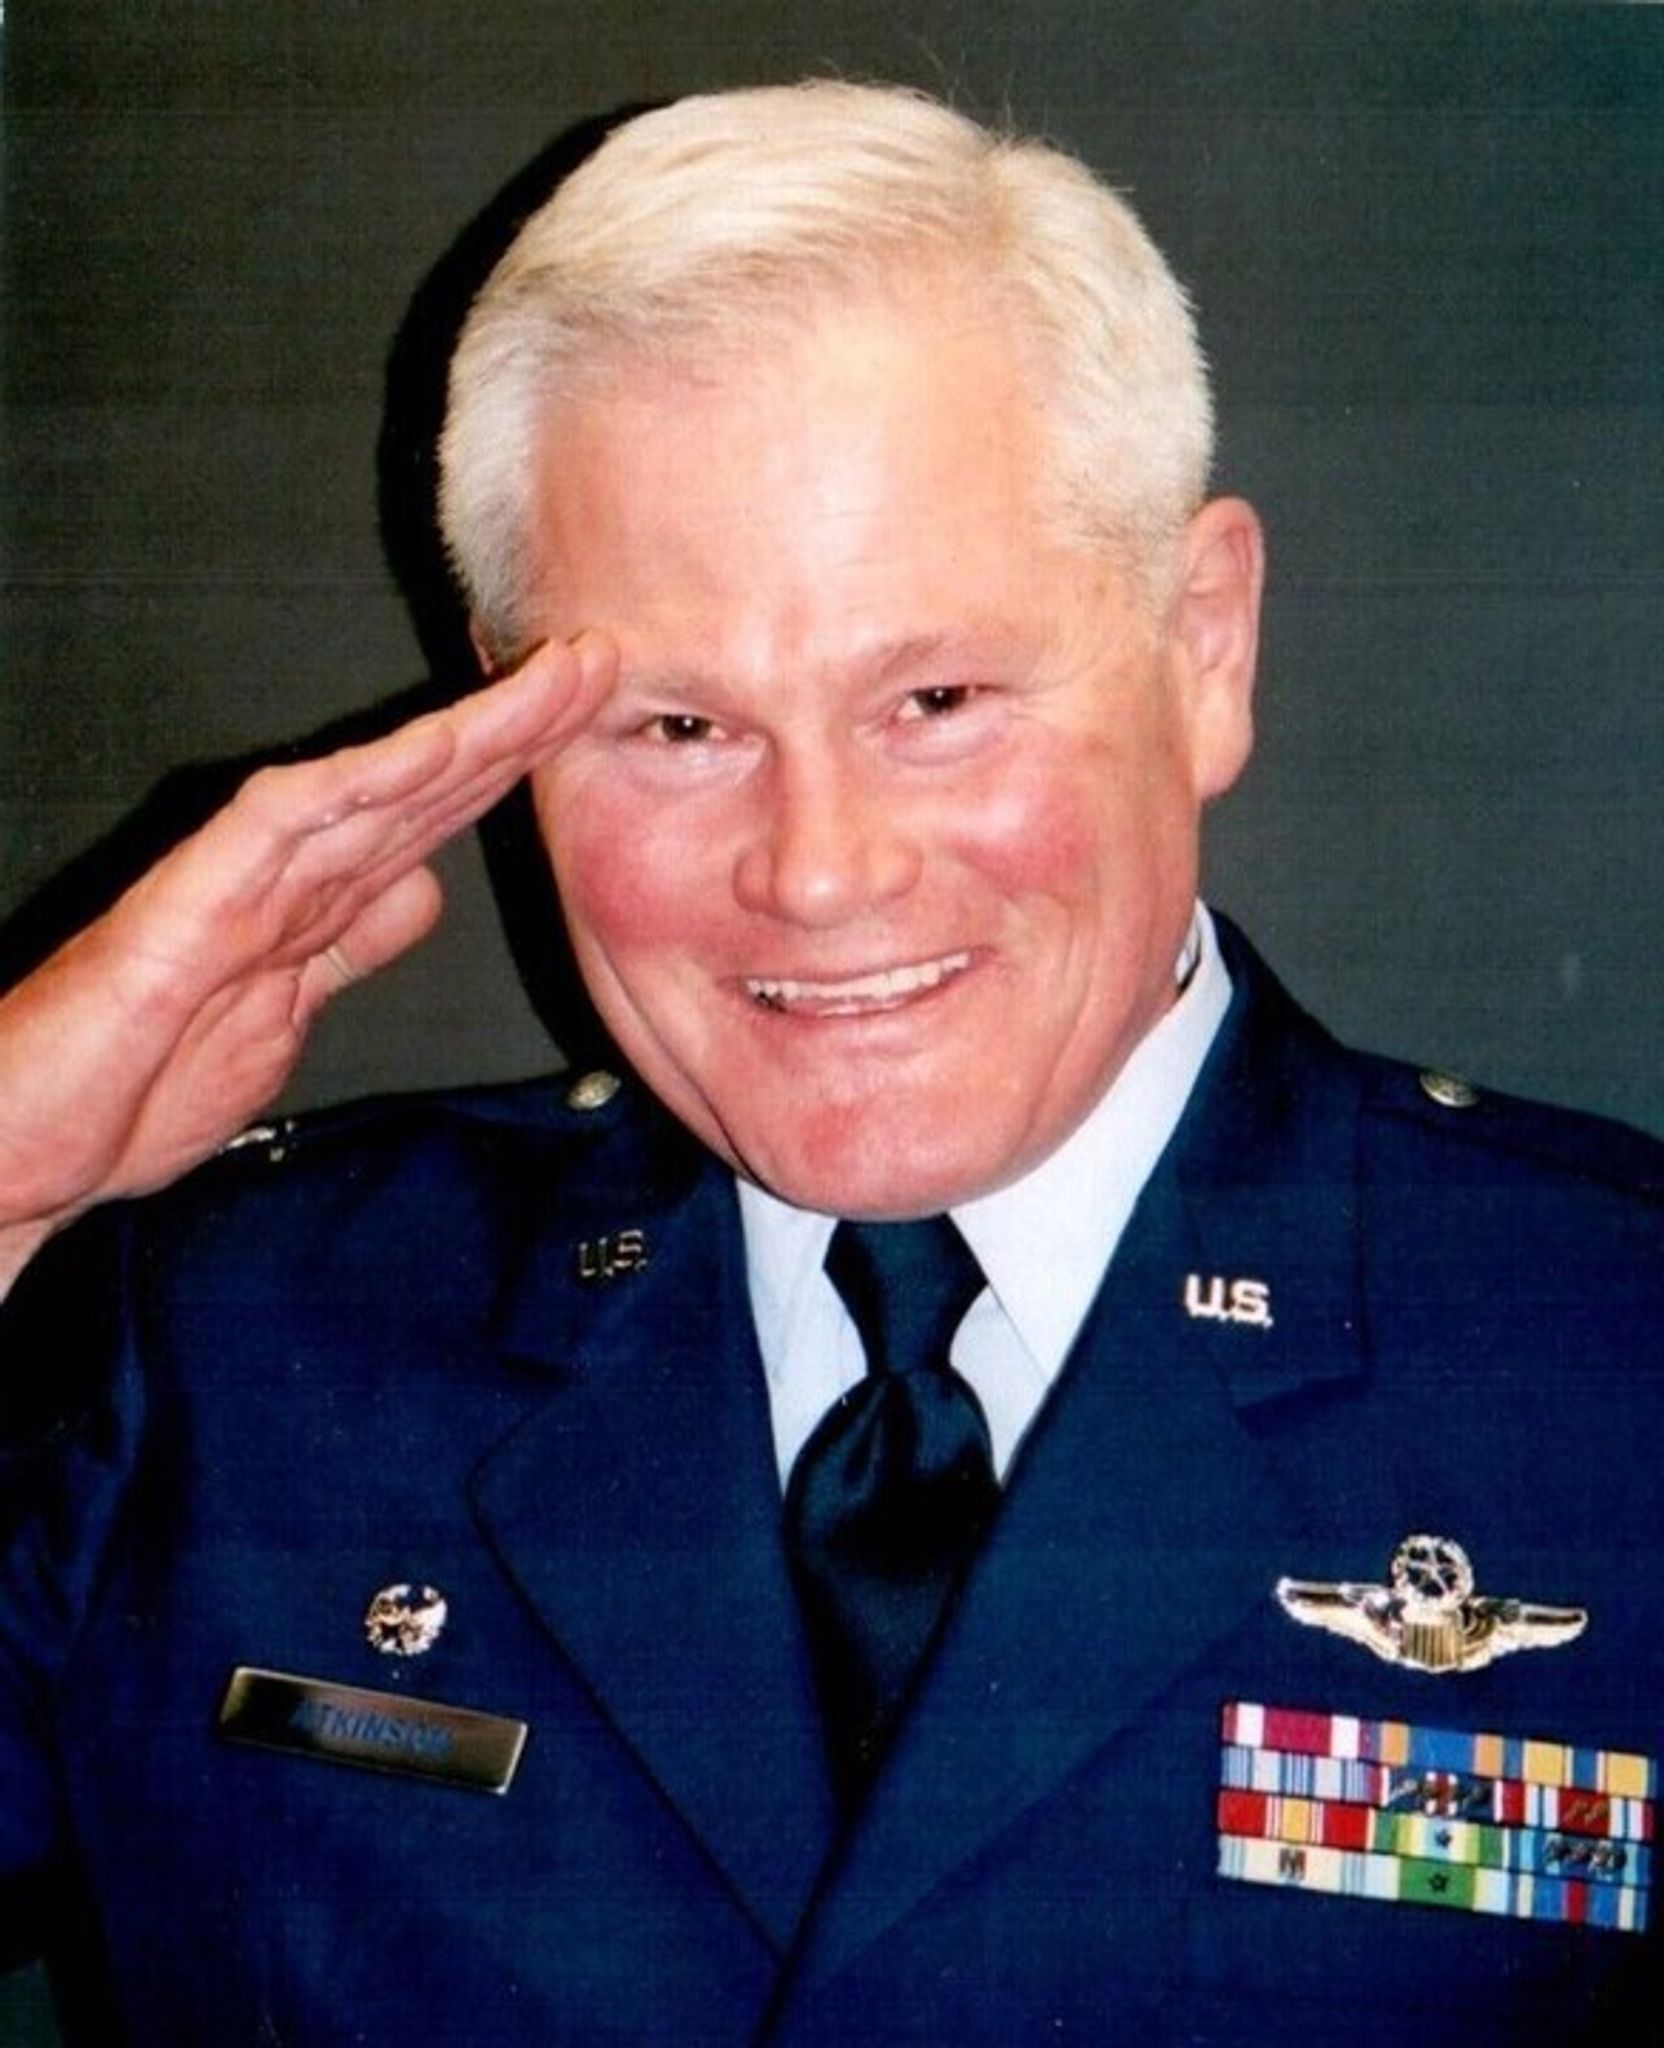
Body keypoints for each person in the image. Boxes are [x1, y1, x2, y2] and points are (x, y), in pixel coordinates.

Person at [0, 81, 1658, 2046]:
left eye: (934, 697)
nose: (815, 867)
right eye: (680, 729)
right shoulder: (229, 1348)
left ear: (1204, 646)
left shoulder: (1607, 1361)